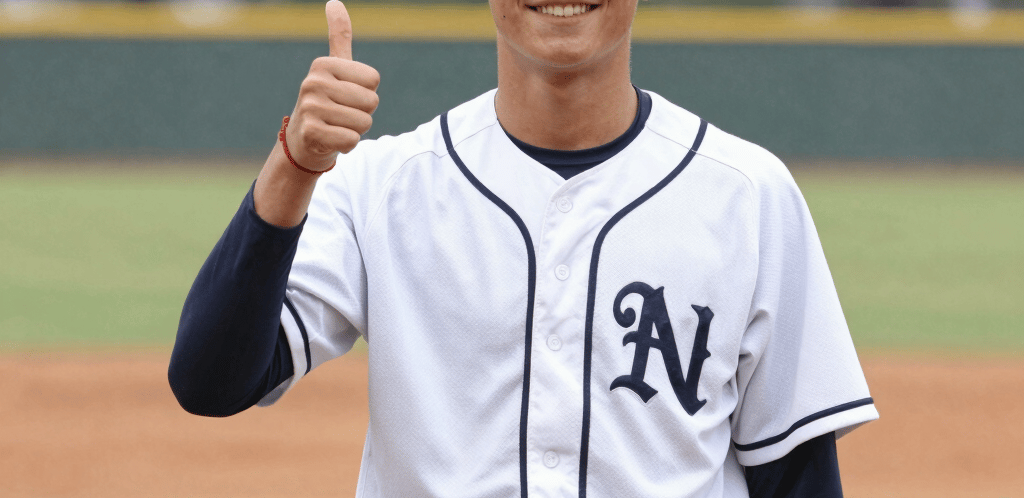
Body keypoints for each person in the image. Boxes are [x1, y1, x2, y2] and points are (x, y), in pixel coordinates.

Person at [169, 1, 878, 496]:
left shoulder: (749, 195)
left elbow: (797, 478)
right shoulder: (381, 187)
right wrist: (294, 164)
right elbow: (212, 382)